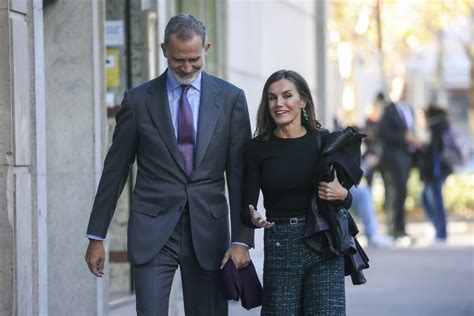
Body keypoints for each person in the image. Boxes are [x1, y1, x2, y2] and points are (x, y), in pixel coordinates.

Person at [84, 14, 254, 315]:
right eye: (178, 60)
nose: (187, 68)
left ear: (207, 49)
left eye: (194, 59)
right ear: (164, 49)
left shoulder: (230, 100)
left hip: (209, 233)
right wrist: (97, 236)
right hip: (152, 229)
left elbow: (239, 175)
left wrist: (242, 240)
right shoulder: (138, 101)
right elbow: (115, 170)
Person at [241, 70, 352, 315]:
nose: (279, 103)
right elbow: (247, 206)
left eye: (287, 96)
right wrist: (254, 217)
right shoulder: (257, 148)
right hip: (280, 243)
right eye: (272, 98)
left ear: (303, 101)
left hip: (323, 242)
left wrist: (341, 194)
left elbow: (346, 198)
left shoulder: (325, 142)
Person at [377, 77, 420, 245]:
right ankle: (393, 230)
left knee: (402, 193)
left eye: (406, 87)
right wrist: (404, 137)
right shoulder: (388, 109)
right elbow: (383, 132)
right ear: (393, 88)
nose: (405, 91)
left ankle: (401, 229)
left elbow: (411, 129)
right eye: (402, 87)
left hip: (407, 156)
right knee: (394, 193)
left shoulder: (409, 108)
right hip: (392, 157)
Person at [419, 104, 453, 244]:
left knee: (436, 202)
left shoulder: (436, 129)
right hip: (436, 172)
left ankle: (441, 234)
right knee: (426, 199)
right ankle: (438, 230)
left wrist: (420, 148)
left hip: (436, 172)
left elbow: (433, 153)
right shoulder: (440, 127)